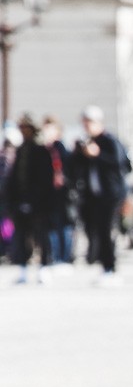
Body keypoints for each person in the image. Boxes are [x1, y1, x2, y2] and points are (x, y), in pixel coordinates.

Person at [71, 104, 131, 283]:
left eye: (90, 123)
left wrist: (97, 154)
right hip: (92, 195)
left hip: (111, 194)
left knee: (106, 231)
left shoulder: (109, 141)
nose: (87, 127)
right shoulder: (86, 143)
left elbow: (120, 164)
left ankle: (110, 268)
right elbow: (76, 168)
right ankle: (102, 265)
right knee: (94, 230)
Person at [5, 114, 54, 284]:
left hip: (39, 202)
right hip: (20, 201)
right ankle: (22, 268)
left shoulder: (41, 151)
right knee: (21, 236)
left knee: (41, 235)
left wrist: (39, 200)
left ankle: (44, 267)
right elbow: (14, 179)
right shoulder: (20, 150)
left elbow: (46, 179)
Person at [42, 116, 78, 269]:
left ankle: (64, 258)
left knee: (64, 225)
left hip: (63, 194)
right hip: (50, 195)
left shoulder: (62, 149)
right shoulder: (45, 150)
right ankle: (54, 257)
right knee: (52, 226)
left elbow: (71, 171)